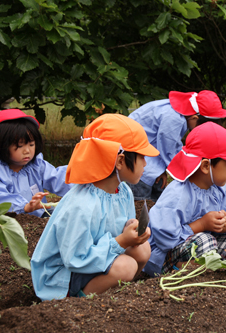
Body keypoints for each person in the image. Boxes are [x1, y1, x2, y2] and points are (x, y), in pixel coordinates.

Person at [31, 114, 160, 301]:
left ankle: (122, 291)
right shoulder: (82, 205)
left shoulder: (123, 191)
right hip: (63, 276)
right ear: (120, 161)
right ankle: (80, 303)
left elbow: (121, 229)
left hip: (98, 257)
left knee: (143, 249)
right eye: (141, 157)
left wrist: (132, 231)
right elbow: (74, 258)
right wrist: (122, 242)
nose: (146, 164)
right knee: (125, 266)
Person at [144, 122, 226, 276]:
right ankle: (194, 280)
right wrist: (201, 224)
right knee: (204, 241)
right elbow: (164, 238)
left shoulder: (218, 190)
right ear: (206, 166)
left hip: (206, 250)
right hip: (166, 259)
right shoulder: (178, 193)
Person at [128, 90, 226, 202]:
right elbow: (169, 151)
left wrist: (162, 170)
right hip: (137, 162)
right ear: (194, 118)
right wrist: (191, 173)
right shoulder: (174, 119)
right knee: (141, 206)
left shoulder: (179, 112)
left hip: (148, 156)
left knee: (158, 199)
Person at [0, 109, 72, 217]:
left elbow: (57, 178)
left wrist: (82, 179)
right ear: (2, 145)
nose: (27, 151)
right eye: (19, 146)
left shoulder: (36, 164)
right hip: (5, 221)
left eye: (31, 145)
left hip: (38, 215)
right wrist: (24, 207)